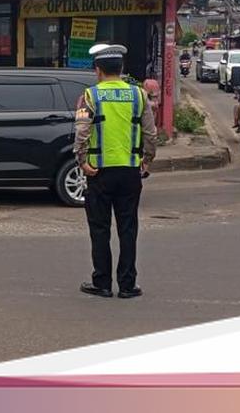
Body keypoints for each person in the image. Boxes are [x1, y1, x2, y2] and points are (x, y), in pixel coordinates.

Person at [74, 44, 157, 299]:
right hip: (130, 171)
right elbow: (150, 133)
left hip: (99, 172)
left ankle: (102, 282)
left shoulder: (90, 96)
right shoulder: (139, 95)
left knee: (100, 229)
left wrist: (82, 161)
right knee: (128, 228)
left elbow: (82, 131)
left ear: (98, 70)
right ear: (121, 69)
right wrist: (147, 160)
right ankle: (128, 285)